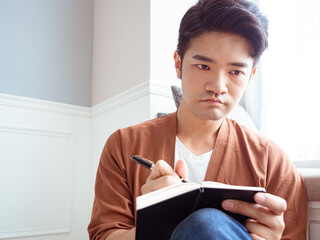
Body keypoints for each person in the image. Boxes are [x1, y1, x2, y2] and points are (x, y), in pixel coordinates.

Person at [88, 0, 307, 239]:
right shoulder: (123, 145)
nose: (218, 86)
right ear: (178, 64)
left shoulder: (274, 163)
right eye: (203, 66)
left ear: (250, 75)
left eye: (236, 72)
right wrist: (156, 222)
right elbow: (105, 234)